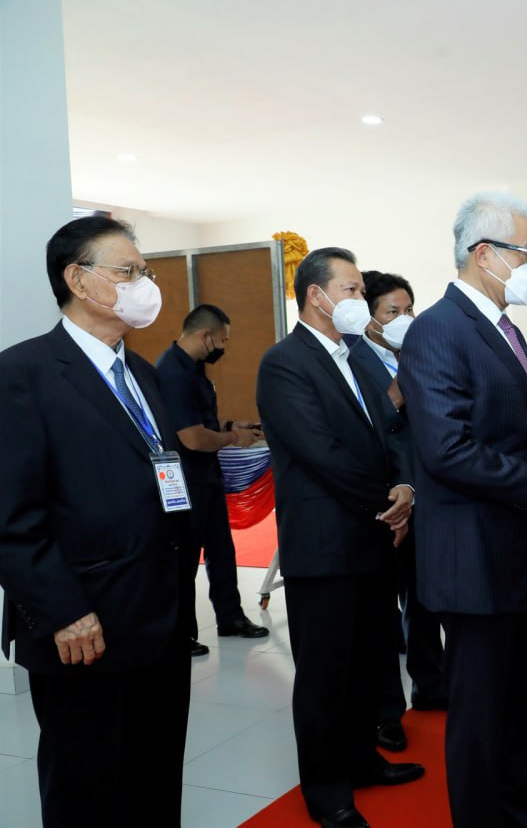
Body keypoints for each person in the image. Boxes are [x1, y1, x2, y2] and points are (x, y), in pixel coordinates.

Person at [397, 192, 527, 828]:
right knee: (484, 721)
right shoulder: (438, 329)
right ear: (485, 253)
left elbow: (512, 431)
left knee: (526, 710)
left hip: (519, 555)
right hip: (476, 561)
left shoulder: (505, 328)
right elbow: (447, 449)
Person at [0, 216, 192, 825]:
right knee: (88, 790)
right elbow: (11, 516)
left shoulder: (143, 375)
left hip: (160, 616)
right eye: (128, 272)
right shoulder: (22, 374)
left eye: (145, 271)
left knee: (154, 778)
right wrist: (62, 611)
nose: (144, 284)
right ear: (79, 281)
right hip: (84, 629)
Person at [257, 248, 423, 828]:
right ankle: (326, 789)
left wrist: (405, 485)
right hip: (325, 545)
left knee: (368, 662)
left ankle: (362, 760)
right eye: (351, 290)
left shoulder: (356, 357)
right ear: (316, 295)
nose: (360, 300)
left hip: (373, 537)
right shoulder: (284, 363)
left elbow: (391, 431)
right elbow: (321, 453)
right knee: (325, 675)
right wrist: (388, 501)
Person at [347, 270, 448, 756]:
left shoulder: (414, 353)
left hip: (426, 488)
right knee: (382, 609)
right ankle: (386, 711)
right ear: (369, 319)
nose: (404, 319)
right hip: (383, 497)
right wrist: (402, 385)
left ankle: (431, 683)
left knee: (425, 595)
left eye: (409, 310)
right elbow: (367, 423)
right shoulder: (352, 358)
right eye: (393, 311)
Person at [155, 304, 269, 657]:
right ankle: (180, 633)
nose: (223, 347)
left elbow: (203, 421)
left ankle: (230, 617)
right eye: (223, 340)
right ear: (206, 336)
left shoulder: (194, 368)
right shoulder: (172, 372)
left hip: (206, 476)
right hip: (185, 481)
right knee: (186, 558)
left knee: (221, 549)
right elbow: (191, 437)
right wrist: (233, 439)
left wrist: (232, 426)